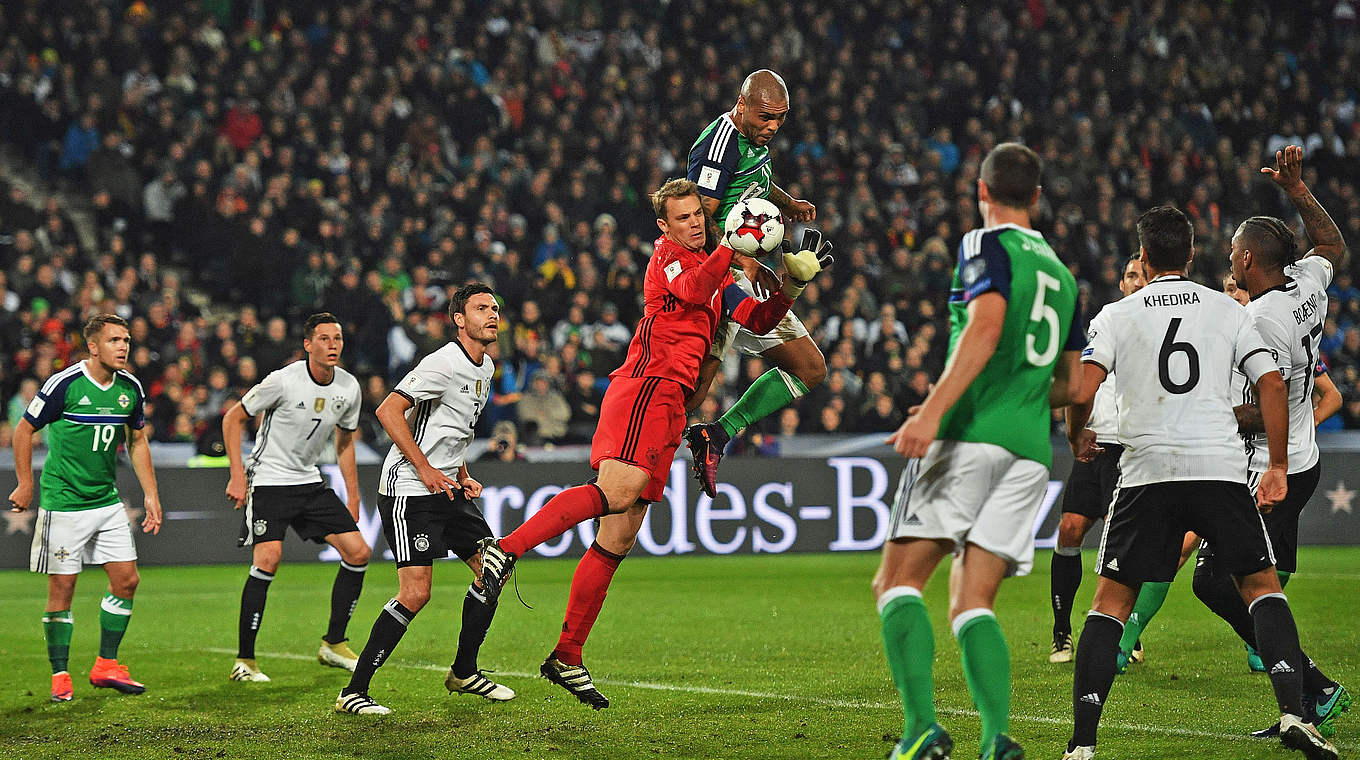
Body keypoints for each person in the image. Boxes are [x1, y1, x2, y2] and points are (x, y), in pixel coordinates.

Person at [476, 178, 828, 708]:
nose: (693, 223)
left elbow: (757, 319)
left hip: (673, 403)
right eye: (682, 217)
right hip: (647, 386)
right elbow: (690, 291)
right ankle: (503, 551)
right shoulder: (667, 259)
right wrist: (733, 244)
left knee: (617, 539)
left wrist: (792, 287)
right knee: (615, 493)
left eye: (697, 216)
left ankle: (567, 655)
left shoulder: (719, 271)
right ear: (665, 226)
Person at [1061, 206, 1336, 760]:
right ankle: (1293, 713)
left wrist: (1077, 437)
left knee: (1110, 605)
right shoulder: (1232, 312)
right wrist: (1278, 466)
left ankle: (1082, 745)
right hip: (1219, 466)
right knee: (1262, 588)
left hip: (1147, 472)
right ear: (1190, 255)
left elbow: (1079, 390)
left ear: (1142, 257)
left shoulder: (1116, 315)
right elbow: (1273, 387)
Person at [874, 143, 1083, 760]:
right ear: (1038, 198)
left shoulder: (981, 244)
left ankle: (921, 731)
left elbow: (986, 328)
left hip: (967, 438)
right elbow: (1071, 386)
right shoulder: (1065, 276)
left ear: (982, 193)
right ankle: (997, 739)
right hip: (1030, 453)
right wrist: (1045, 415)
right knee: (972, 600)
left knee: (897, 581)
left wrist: (935, 412)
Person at [1189, 146, 1349, 738]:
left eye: (1232, 250)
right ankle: (1303, 701)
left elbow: (1265, 407)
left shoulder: (1258, 322)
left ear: (1248, 257)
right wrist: (1300, 192)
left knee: (1221, 581)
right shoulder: (1306, 283)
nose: (1227, 257)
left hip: (1266, 471)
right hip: (1300, 460)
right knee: (1260, 581)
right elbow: (1331, 247)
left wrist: (1208, 408)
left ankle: (1311, 689)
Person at [335, 283, 514, 716]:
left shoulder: (485, 366)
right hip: (409, 489)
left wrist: (462, 472)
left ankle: (464, 671)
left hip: (446, 487)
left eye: (495, 307)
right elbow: (388, 411)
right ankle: (353, 692)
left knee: (494, 569)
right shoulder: (442, 363)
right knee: (415, 593)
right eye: (481, 309)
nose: (492, 315)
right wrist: (426, 468)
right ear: (459, 319)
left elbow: (455, 428)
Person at [682, 69, 829, 498]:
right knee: (694, 390)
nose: (773, 127)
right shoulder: (719, 144)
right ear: (741, 104)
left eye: (781, 119)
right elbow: (700, 219)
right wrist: (739, 257)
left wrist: (787, 202)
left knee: (809, 368)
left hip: (743, 271)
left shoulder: (754, 141)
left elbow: (755, 181)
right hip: (718, 277)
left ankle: (716, 436)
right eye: (766, 117)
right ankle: (636, 458)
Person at [9, 314, 163, 702]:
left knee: (127, 580)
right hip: (64, 501)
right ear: (93, 347)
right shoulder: (65, 384)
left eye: (126, 339)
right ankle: (60, 673)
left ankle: (106, 664)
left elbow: (137, 440)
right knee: (63, 588)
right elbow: (24, 429)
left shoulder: (130, 387)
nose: (124, 346)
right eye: (114, 340)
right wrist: (26, 483)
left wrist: (150, 494)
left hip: (106, 500)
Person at [221, 312, 368, 682]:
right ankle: (245, 661)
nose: (332, 345)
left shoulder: (349, 387)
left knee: (358, 552)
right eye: (324, 338)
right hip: (269, 478)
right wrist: (238, 475)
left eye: (337, 338)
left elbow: (346, 441)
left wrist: (353, 494)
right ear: (307, 345)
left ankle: (333, 645)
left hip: (309, 481)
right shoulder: (282, 381)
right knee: (268, 558)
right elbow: (232, 418)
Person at [1049, 256, 1146, 664]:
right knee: (1070, 529)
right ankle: (1061, 632)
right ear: (1121, 283)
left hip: (1134, 449)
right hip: (1097, 444)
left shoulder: (1161, 325)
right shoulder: (1106, 322)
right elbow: (1083, 382)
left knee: (1124, 545)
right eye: (1130, 275)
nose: (1136, 281)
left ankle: (1123, 628)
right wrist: (1076, 431)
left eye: (1142, 274)